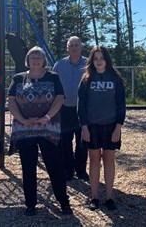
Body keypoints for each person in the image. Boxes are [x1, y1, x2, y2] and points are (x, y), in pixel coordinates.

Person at [7, 46, 72, 216]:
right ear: (27, 60)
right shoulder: (18, 78)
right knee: (28, 168)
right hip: (24, 128)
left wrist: (48, 117)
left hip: (48, 127)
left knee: (55, 165)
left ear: (44, 60)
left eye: (39, 57)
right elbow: (11, 100)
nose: (36, 60)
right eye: (32, 57)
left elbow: (59, 98)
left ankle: (63, 201)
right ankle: (30, 204)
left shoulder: (53, 77)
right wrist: (21, 119)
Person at [78, 45, 126, 211]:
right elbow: (81, 105)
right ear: (92, 60)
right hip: (91, 126)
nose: (99, 61)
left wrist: (118, 127)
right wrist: (84, 126)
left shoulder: (115, 79)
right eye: (95, 58)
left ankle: (109, 197)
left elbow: (121, 104)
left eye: (102, 58)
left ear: (107, 60)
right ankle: (95, 196)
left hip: (111, 125)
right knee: (94, 160)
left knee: (109, 160)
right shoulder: (86, 79)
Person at [53, 36, 89, 181]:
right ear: (67, 47)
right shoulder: (59, 65)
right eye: (71, 45)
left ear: (81, 47)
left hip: (83, 109)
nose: (74, 47)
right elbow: (54, 85)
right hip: (65, 108)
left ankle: (81, 170)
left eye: (76, 45)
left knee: (82, 140)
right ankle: (68, 170)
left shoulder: (88, 64)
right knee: (65, 141)